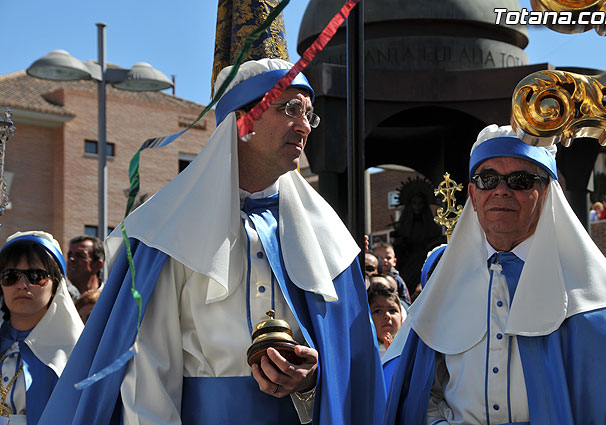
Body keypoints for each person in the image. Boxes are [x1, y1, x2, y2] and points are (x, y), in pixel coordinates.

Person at [40, 59, 385, 425]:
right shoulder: (170, 228)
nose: (304, 126)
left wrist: (311, 381)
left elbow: (351, 367)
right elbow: (149, 381)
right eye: (291, 109)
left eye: (309, 114)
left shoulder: (324, 233)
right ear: (243, 122)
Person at [384, 124, 606, 425]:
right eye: (488, 179)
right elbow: (421, 391)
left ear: (545, 192)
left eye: (520, 180)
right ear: (473, 196)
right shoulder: (444, 285)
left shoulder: (592, 299)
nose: (501, 190)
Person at [0, 231, 83, 425]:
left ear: (56, 286)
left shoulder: (74, 355)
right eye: (10, 276)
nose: (22, 285)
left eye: (35, 276)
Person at [368, 283, 403, 359]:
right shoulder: (363, 350)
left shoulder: (409, 346)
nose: (387, 316)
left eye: (392, 310)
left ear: (401, 318)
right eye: (378, 311)